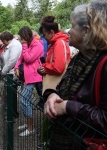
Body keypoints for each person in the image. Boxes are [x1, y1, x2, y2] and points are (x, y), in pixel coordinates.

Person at [44, 1, 107, 149]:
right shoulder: (79, 58)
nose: (68, 32)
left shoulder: (104, 64)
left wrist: (67, 107)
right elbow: (63, 88)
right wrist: (52, 94)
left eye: (72, 26)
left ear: (86, 30)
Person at [14, 26, 44, 136]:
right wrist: (16, 67)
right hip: (25, 76)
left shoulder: (37, 45)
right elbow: (21, 57)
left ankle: (31, 128)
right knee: (23, 100)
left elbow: (28, 58)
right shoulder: (28, 44)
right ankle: (28, 124)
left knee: (25, 101)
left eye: (22, 37)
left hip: (33, 77)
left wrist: (25, 45)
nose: (21, 40)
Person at [37, 16, 71, 94]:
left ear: (51, 32)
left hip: (56, 89)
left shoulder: (58, 43)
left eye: (44, 35)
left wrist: (44, 67)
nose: (44, 38)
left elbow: (58, 68)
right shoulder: (55, 43)